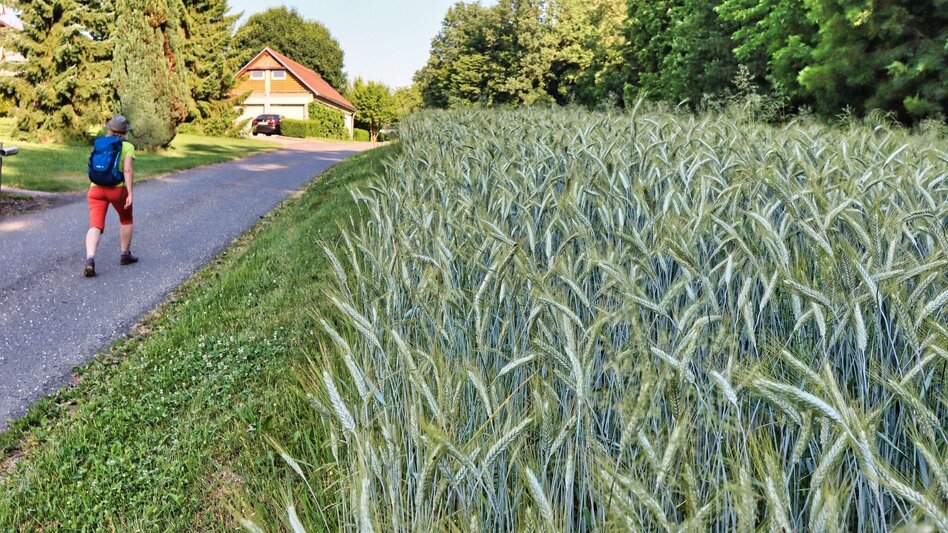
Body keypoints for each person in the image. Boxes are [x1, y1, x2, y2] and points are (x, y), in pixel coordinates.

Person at [84, 115, 138, 277]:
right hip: (117, 190)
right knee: (126, 219)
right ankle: (124, 254)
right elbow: (127, 170)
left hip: (95, 189)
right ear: (125, 132)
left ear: (110, 129)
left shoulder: (100, 143)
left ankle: (90, 259)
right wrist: (129, 192)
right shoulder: (127, 146)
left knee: (95, 226)